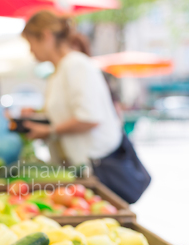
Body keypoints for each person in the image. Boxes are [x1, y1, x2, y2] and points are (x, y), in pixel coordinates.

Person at [20, 10, 123, 168]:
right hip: (79, 166)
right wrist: (38, 115)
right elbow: (67, 113)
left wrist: (49, 131)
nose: (30, 51)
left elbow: (89, 118)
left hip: (99, 166)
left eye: (31, 43)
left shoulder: (75, 65)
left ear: (46, 36)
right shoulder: (59, 71)